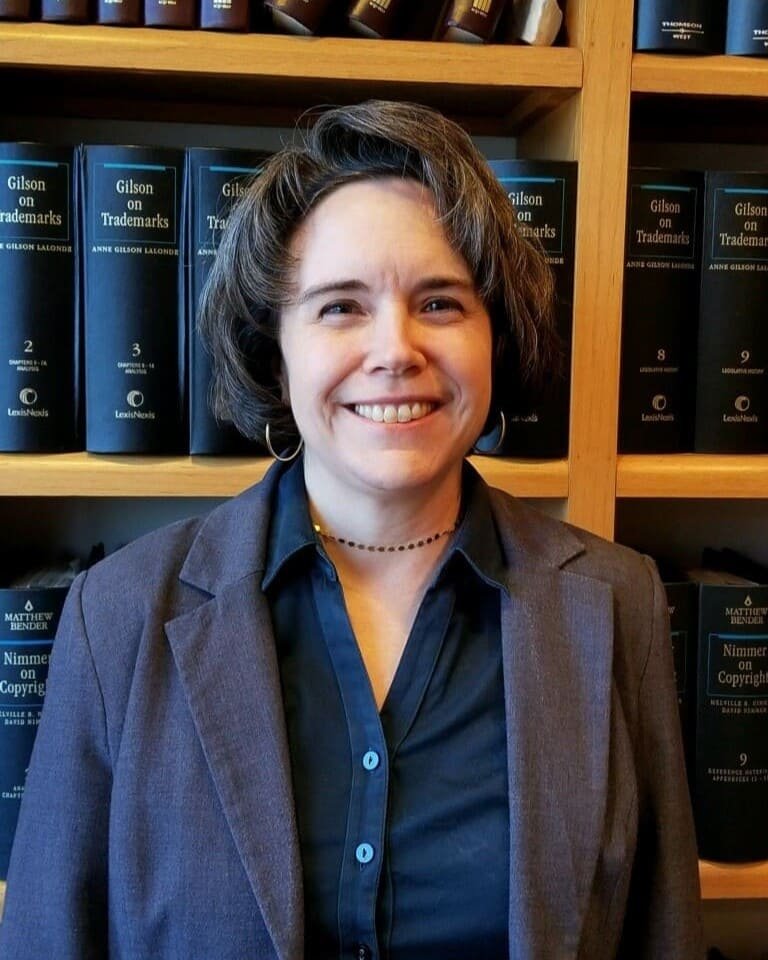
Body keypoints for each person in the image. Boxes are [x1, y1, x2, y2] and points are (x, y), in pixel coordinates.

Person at [0, 100, 703, 959]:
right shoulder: (117, 619)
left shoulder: (618, 604)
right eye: (340, 307)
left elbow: (662, 933)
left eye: (440, 302)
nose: (395, 349)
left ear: (496, 336)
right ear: (275, 350)